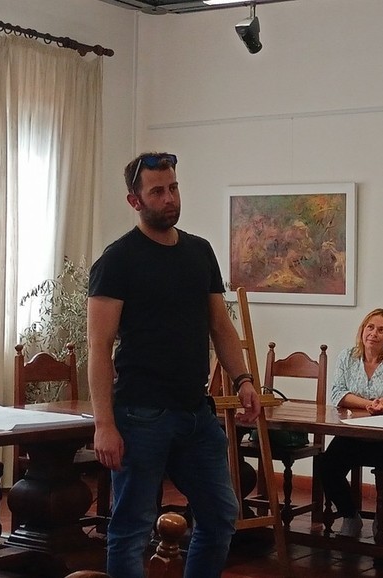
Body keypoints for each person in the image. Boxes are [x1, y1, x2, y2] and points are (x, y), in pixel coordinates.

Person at [87, 152, 262, 578]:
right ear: (135, 201)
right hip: (140, 414)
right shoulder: (118, 260)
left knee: (221, 515)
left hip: (194, 412)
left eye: (174, 188)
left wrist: (243, 379)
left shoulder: (200, 252)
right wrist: (104, 424)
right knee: (131, 528)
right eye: (157, 192)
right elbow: (98, 346)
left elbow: (220, 326)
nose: (169, 198)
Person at [316, 308, 383, 538]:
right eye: (370, 327)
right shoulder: (347, 357)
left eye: (381, 330)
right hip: (355, 435)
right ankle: (350, 515)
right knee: (327, 465)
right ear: (362, 330)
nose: (374, 333)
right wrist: (369, 404)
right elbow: (338, 393)